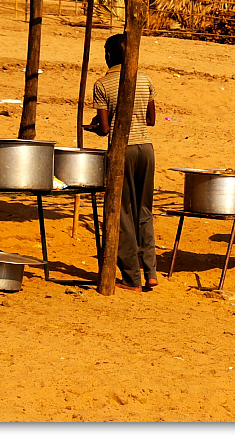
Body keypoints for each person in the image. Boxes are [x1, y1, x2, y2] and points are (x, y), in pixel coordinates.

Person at [84, 33, 158, 292]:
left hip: (122, 151)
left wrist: (94, 127)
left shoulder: (103, 84)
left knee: (123, 212)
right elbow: (150, 120)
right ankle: (150, 272)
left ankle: (131, 278)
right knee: (144, 210)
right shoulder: (145, 79)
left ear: (108, 55)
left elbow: (105, 129)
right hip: (146, 149)